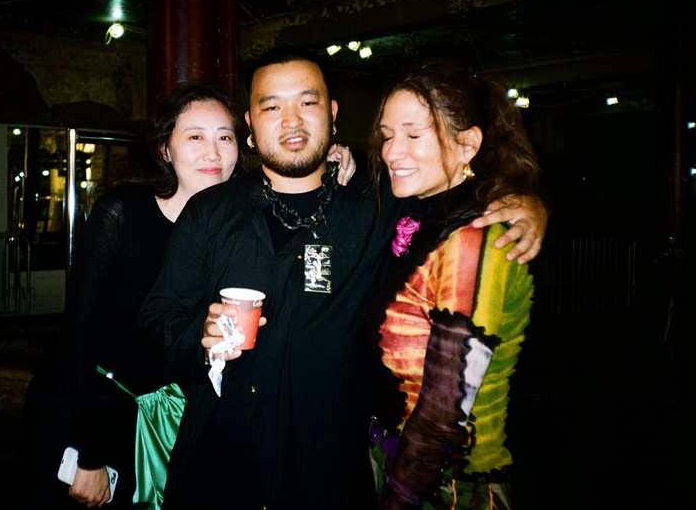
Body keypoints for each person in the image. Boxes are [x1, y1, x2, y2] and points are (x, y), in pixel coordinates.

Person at [138, 45, 548, 509]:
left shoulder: (380, 204)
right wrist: (200, 337)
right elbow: (156, 321)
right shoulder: (209, 214)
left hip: (331, 474)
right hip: (222, 470)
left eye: (307, 103)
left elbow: (450, 189)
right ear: (250, 126)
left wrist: (521, 200)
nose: (291, 121)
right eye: (272, 107)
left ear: (332, 114)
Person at [14, 81, 356, 509]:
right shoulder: (123, 213)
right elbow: (77, 336)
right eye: (195, 137)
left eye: (225, 137)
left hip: (166, 410)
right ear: (165, 149)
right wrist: (90, 454)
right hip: (90, 406)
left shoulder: (236, 221)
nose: (213, 153)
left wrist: (329, 161)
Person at [366, 59, 540, 509]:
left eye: (413, 134)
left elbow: (445, 412)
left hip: (449, 484)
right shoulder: (415, 214)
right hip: (395, 458)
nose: (391, 151)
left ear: (468, 144)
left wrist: (398, 499)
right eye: (387, 135)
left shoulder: (475, 238)